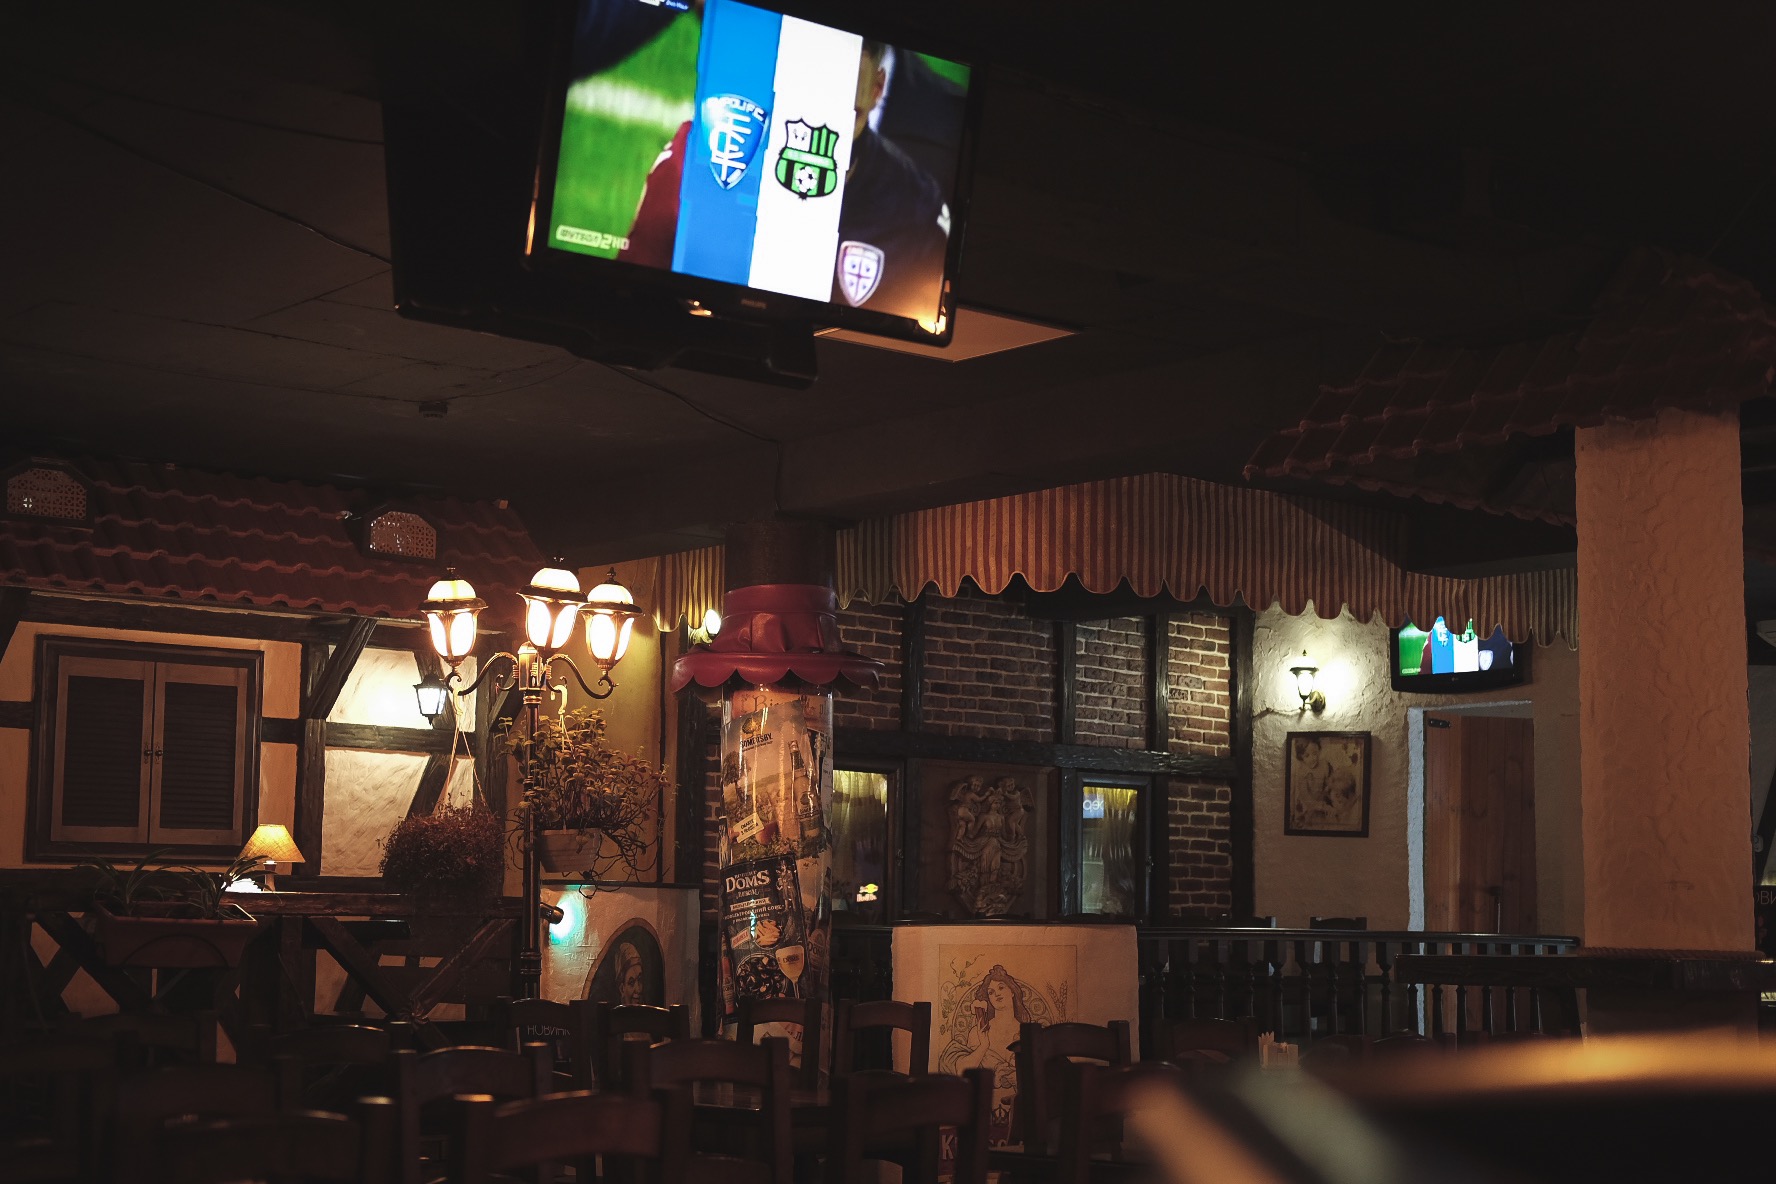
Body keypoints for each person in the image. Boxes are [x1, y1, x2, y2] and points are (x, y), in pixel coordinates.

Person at [621, 39, 951, 322]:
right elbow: (630, 296)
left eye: (849, 114)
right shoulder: (704, 156)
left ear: (877, 89)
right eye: (814, 108)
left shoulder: (917, 209)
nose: (826, 138)